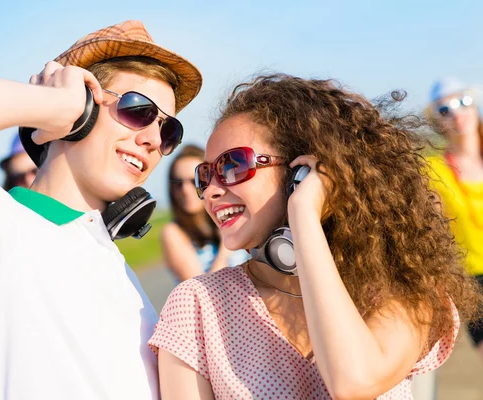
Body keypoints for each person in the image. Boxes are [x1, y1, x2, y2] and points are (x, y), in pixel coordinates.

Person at [0, 20, 201, 399]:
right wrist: (55, 105)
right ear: (83, 109)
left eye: (168, 129)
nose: (154, 140)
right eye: (138, 109)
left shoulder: (118, 268)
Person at [148, 73, 481, 399]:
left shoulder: (400, 285)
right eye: (204, 176)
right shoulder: (196, 305)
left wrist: (304, 214)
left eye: (233, 165)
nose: (210, 193)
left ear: (300, 172)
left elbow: (355, 381)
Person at [425, 77, 483, 361]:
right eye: (445, 109)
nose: (457, 112)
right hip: (474, 281)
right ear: (438, 122)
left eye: (463, 102)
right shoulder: (432, 170)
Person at [161, 144, 249, 282]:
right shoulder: (173, 232)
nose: (185, 190)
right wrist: (225, 249)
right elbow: (203, 291)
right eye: (178, 183)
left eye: (194, 181)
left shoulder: (233, 213)